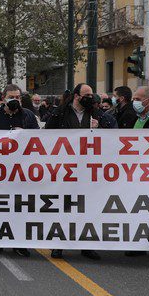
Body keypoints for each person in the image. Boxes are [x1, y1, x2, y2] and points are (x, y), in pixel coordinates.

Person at [45, 84, 115, 261]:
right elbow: (46, 137)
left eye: (92, 95)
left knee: (88, 207)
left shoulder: (97, 114)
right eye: (87, 94)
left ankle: (86, 244)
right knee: (63, 207)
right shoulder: (60, 113)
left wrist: (98, 130)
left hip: (89, 171)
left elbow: (112, 137)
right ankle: (59, 244)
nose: (91, 98)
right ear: (77, 96)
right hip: (65, 170)